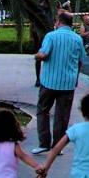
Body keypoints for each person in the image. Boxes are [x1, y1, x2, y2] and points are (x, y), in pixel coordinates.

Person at [32, 10, 84, 154]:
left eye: (56, 21)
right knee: (62, 115)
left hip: (49, 81)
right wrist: (75, 79)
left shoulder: (51, 36)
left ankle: (44, 143)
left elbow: (44, 54)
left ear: (59, 22)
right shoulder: (77, 39)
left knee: (42, 111)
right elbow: (80, 62)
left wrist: (36, 56)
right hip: (68, 83)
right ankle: (57, 146)